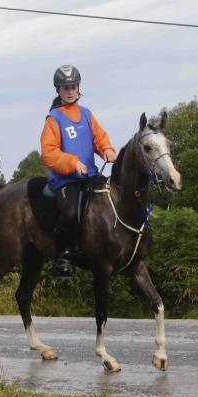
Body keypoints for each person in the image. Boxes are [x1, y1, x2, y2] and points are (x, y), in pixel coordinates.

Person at [40, 65, 116, 277]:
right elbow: (49, 152)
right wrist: (73, 163)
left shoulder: (86, 114)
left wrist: (107, 149)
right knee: (71, 213)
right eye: (66, 88)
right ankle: (63, 257)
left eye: (73, 86)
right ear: (58, 90)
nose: (70, 91)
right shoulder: (53, 118)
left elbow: (99, 137)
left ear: (78, 87)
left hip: (89, 176)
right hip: (65, 180)